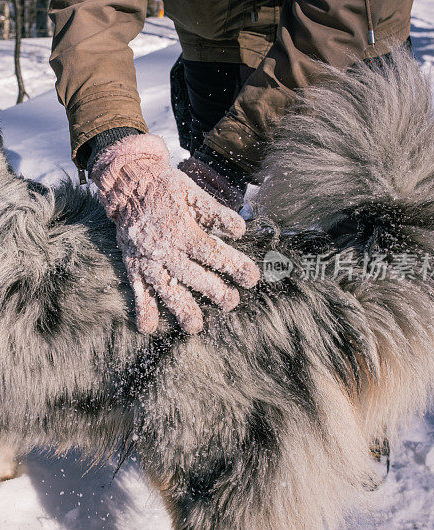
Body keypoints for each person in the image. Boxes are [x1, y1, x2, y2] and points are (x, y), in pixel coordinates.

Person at [47, 0, 412, 334]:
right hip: (213, 49)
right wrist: (122, 155)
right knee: (217, 255)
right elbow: (91, 10)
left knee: (358, 283)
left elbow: (335, 21)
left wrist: (224, 158)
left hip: (345, 55)